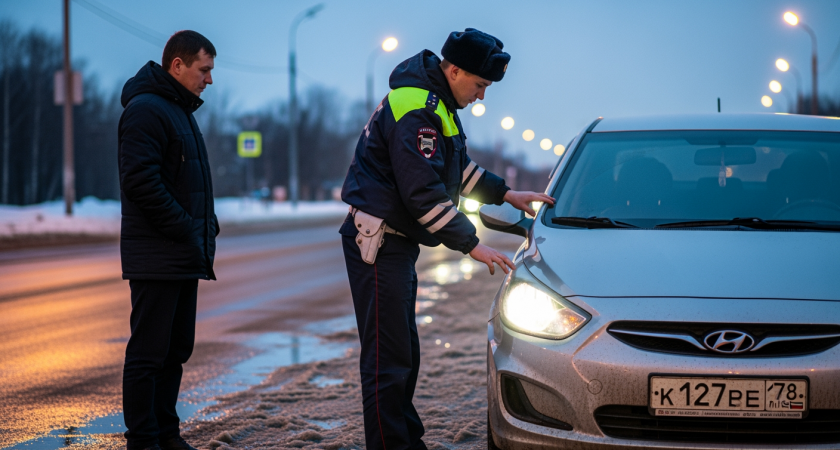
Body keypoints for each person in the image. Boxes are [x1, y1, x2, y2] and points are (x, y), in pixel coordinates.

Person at [339, 28, 555, 450]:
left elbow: (456, 170)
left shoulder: (435, 103)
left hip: (394, 243)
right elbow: (422, 193)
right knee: (387, 360)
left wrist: (507, 193)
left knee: (404, 354)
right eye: (479, 85)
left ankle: (406, 440)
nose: (481, 96)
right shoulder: (418, 107)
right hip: (378, 242)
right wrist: (472, 243)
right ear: (454, 70)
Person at [117, 30, 218, 450]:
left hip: (181, 251)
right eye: (204, 69)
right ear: (177, 65)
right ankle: (143, 440)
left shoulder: (178, 110)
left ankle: (166, 434)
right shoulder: (146, 111)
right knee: (149, 353)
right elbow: (141, 182)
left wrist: (205, 226)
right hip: (158, 252)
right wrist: (185, 226)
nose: (209, 79)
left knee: (175, 351)